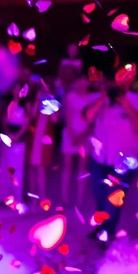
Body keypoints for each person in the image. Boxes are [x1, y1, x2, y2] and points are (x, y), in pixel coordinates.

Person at [84, 65, 138, 242]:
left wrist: (127, 106)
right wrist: (102, 99)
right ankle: (102, 229)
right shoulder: (102, 100)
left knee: (113, 201)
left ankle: (107, 234)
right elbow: (87, 117)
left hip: (123, 162)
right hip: (99, 159)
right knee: (100, 198)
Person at [60, 75, 96, 206]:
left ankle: (80, 200)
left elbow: (93, 119)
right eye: (79, 80)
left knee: (83, 167)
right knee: (67, 167)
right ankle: (64, 198)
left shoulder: (94, 97)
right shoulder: (70, 96)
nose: (82, 83)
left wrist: (83, 134)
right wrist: (72, 134)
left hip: (85, 134)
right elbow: (67, 116)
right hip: (70, 133)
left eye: (84, 80)